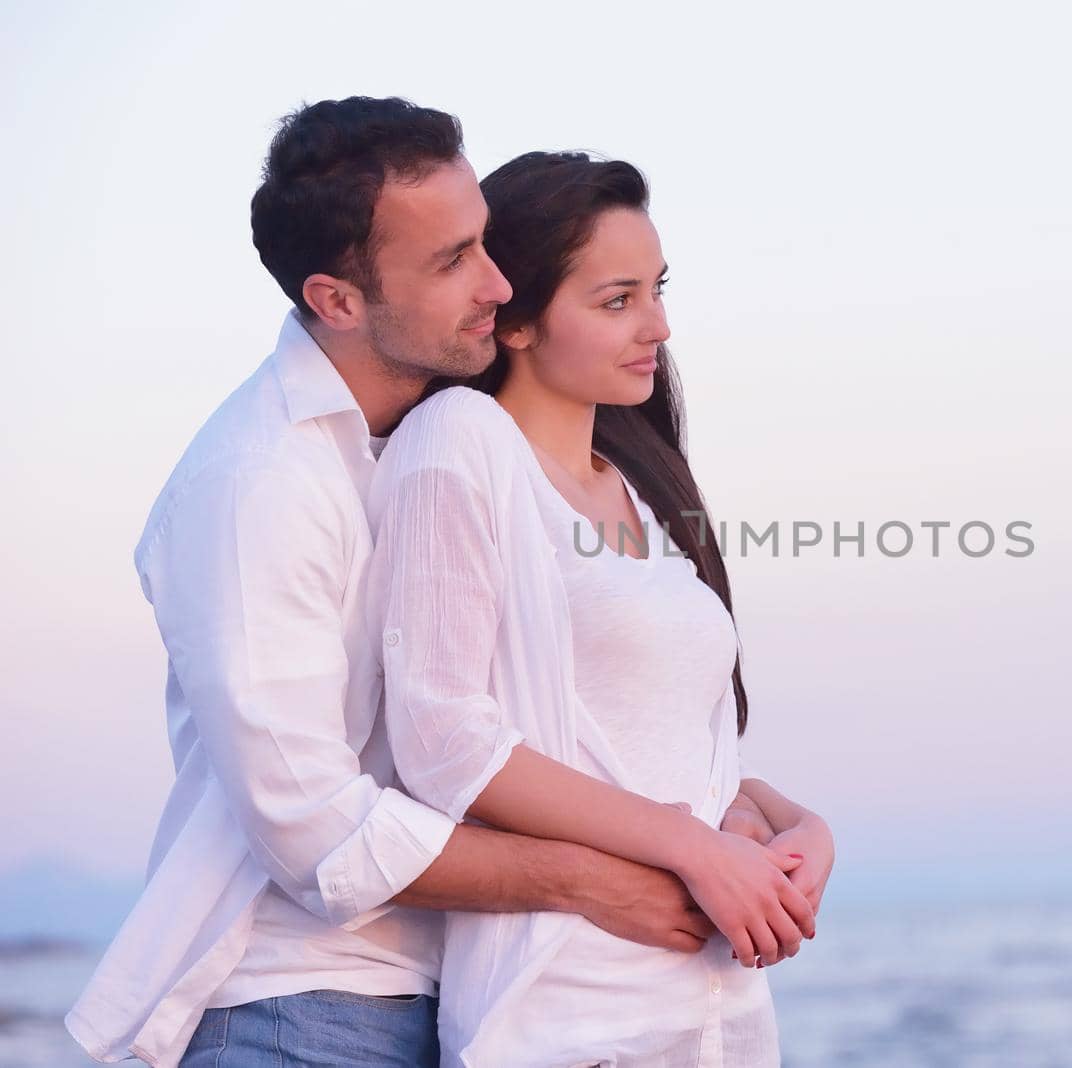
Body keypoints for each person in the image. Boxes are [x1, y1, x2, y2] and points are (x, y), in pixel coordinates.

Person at [66, 97, 784, 1068]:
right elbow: (317, 832)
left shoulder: (435, 444)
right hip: (299, 1008)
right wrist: (595, 878)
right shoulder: (258, 485)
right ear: (338, 301)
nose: (496, 283)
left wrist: (745, 816)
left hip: (443, 992)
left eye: (483, 243)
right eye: (451, 263)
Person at [364, 150, 836, 1067]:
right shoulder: (460, 445)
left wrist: (788, 824)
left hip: (715, 1012)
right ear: (520, 320)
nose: (657, 325)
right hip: (566, 1015)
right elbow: (444, 739)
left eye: (657, 290)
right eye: (617, 300)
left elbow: (650, 744)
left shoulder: (644, 497)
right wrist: (692, 851)